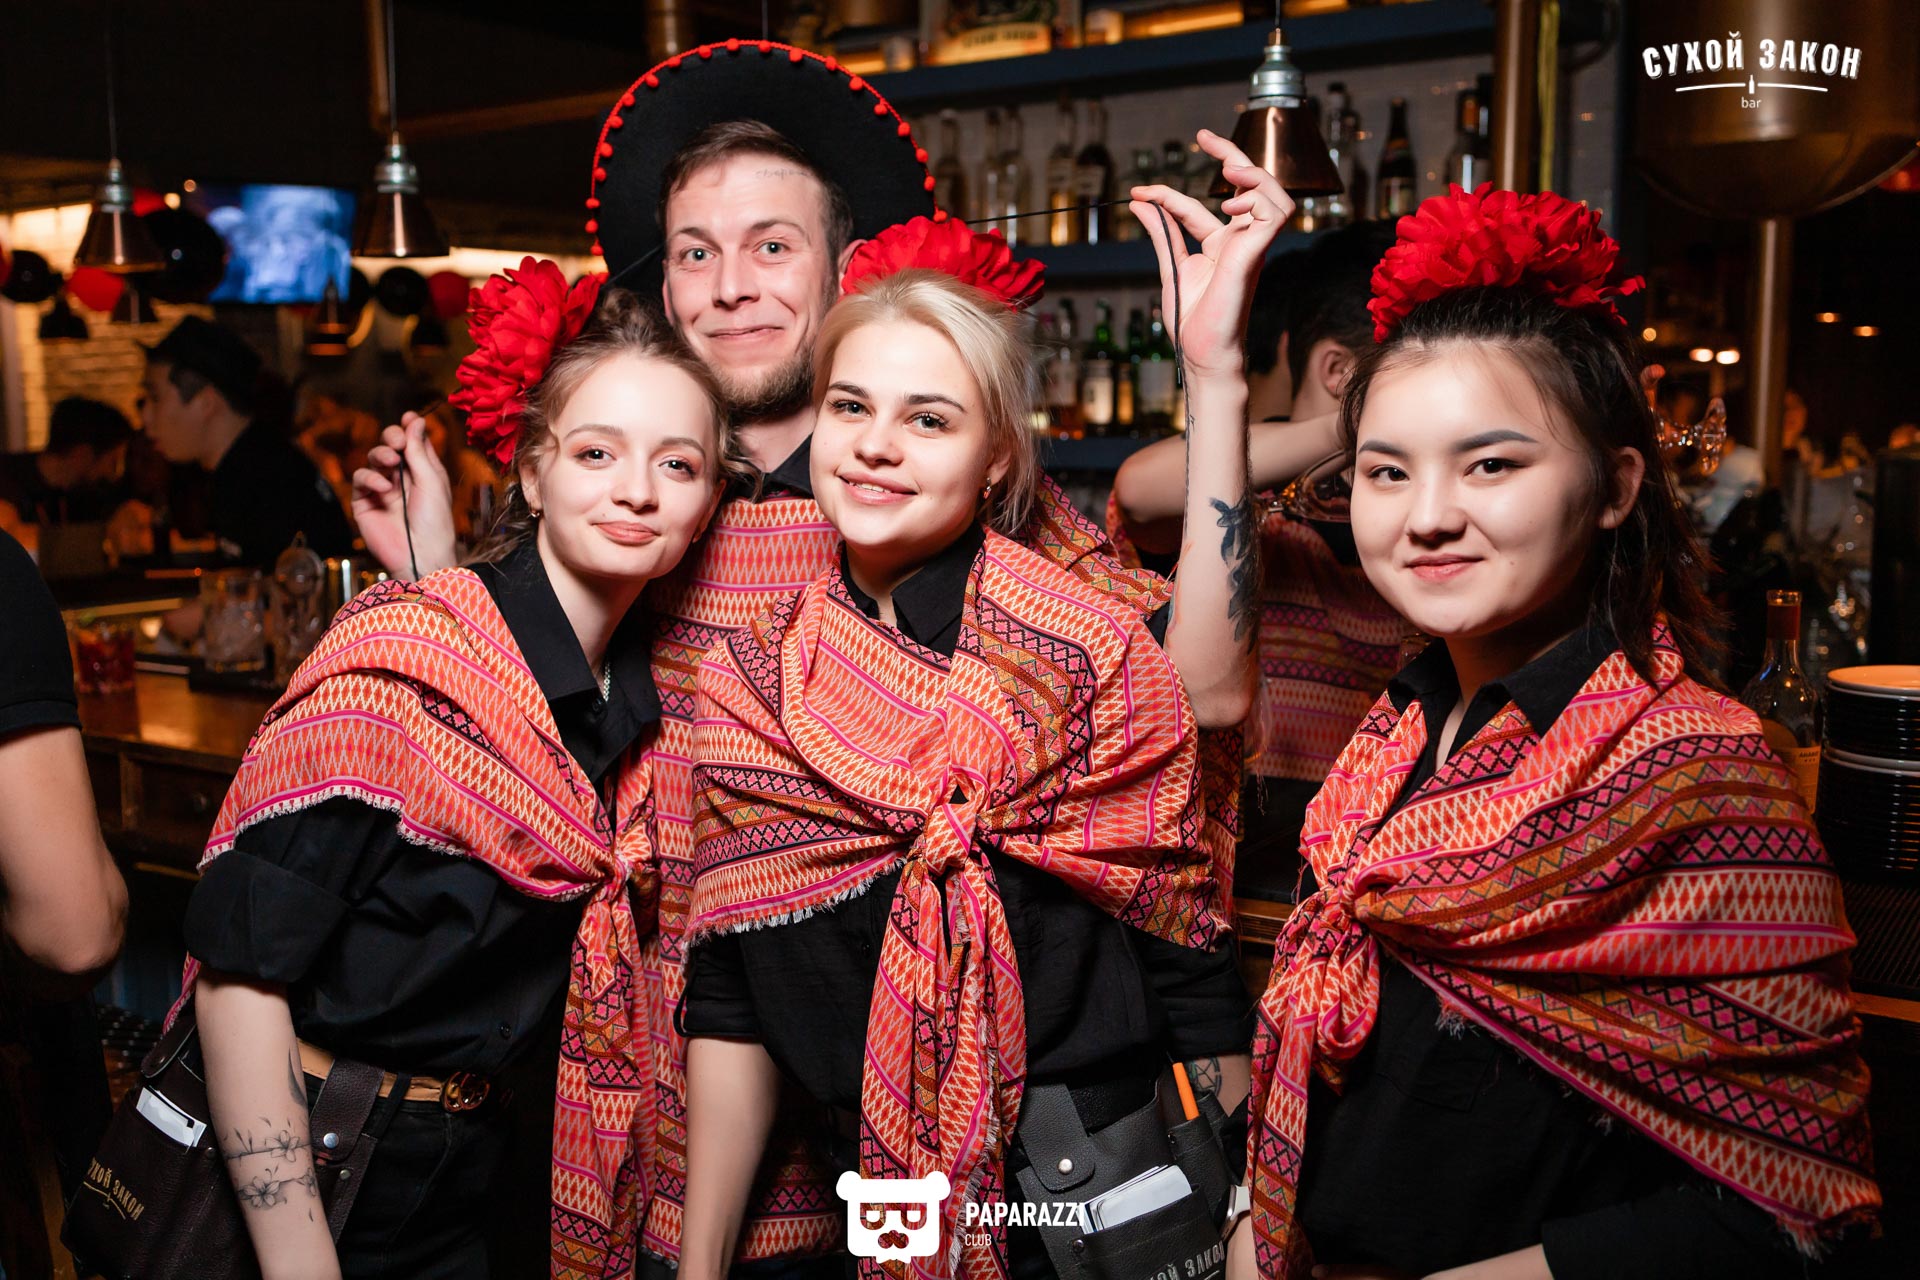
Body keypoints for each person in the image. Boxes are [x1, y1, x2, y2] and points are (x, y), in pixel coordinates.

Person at [350, 45, 1259, 1272]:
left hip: (940, 1093)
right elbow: (525, 760)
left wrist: (1216, 381)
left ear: (841, 266)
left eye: (771, 245)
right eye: (695, 252)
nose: (730, 287)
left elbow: (1187, 698)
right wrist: (442, 578)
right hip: (673, 1075)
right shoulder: (644, 500)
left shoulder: (953, 500)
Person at [1238, 185, 1878, 1280]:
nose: (1427, 515)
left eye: (1491, 464)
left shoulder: (1695, 772)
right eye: (1387, 471)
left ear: (1617, 485)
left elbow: (1802, 1213)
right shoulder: (1391, 733)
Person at [679, 145, 1284, 1278]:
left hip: (1094, 1196)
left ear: (997, 456)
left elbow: (1184, 940)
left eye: (929, 419)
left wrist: (1251, 1210)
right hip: (879, 1193)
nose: (875, 444)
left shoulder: (1077, 646)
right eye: (850, 406)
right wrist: (697, 1263)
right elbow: (732, 990)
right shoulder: (752, 680)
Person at [175, 275, 736, 1280]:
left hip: (498, 1176)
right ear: (532, 474)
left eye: (678, 463)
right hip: (331, 1172)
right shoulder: (406, 669)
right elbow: (239, 982)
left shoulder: (642, 707)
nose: (638, 490)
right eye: (597, 452)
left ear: (707, 505)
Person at [1112, 224, 1405, 899]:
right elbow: (1141, 490)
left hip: (1368, 874)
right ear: (1340, 374)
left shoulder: (1409, 511)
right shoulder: (1255, 489)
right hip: (1231, 876)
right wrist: (1366, 421)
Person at [141, 316, 355, 568]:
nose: (145, 416)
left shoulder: (270, 482)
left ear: (206, 403)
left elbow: (285, 585)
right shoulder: (247, 467)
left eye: (155, 397)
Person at [0, 396, 142, 555]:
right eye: (113, 462)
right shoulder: (7, 483)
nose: (112, 474)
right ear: (83, 454)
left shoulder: (89, 497)